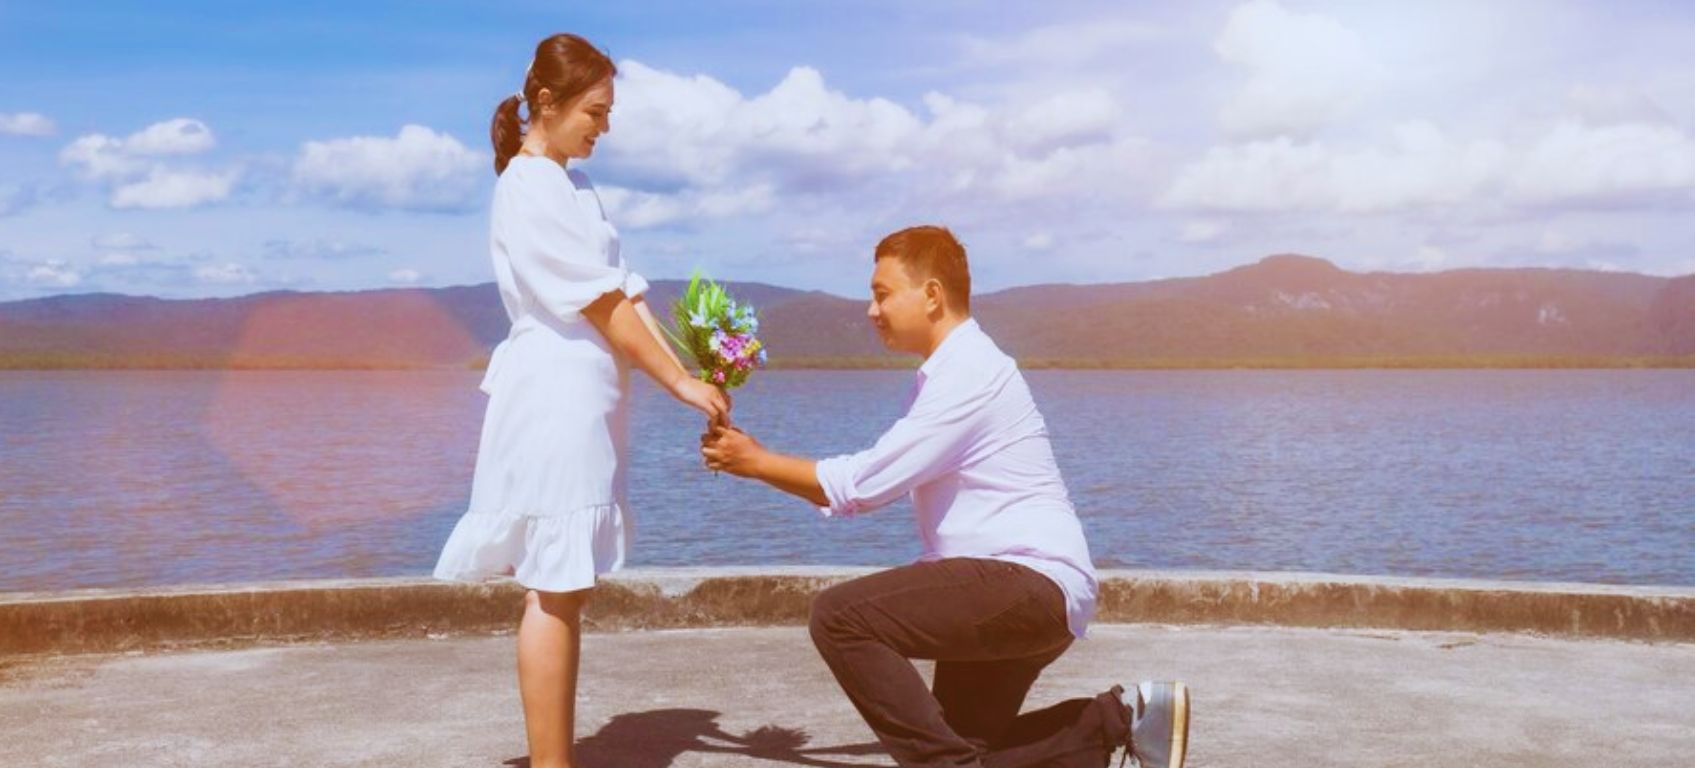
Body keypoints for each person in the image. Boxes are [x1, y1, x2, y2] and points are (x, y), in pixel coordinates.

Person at [700, 225, 1189, 768]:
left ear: (931, 295)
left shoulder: (969, 372)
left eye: (881, 293)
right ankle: (1126, 718)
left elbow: (863, 484)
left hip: (1023, 583)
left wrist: (756, 462)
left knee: (840, 618)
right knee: (968, 749)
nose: (870, 310)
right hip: (1028, 589)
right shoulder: (954, 371)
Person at [433, 33, 730, 768]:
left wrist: (698, 359)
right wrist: (681, 382)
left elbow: (627, 299)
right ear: (546, 103)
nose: (604, 126)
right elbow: (601, 303)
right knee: (555, 582)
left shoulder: (571, 184)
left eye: (609, 111)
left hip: (588, 394)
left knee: (567, 587)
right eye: (595, 111)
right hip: (556, 394)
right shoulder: (529, 185)